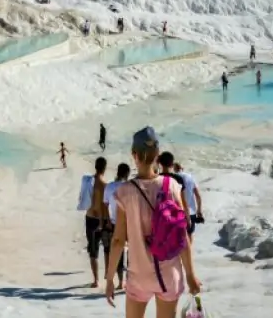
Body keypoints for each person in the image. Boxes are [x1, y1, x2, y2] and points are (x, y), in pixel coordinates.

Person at [106, 127, 202, 315]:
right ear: (157, 154)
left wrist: (109, 279)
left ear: (134, 155)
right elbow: (183, 236)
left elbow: (118, 241)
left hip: (139, 276)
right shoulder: (172, 186)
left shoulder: (124, 192)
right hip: (169, 274)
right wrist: (190, 275)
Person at [103, 162, 131, 291]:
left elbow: (105, 205)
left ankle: (120, 282)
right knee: (132, 253)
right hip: (130, 223)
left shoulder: (109, 187)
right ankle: (130, 281)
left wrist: (108, 221)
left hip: (115, 223)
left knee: (118, 252)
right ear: (127, 173)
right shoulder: (130, 186)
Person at [85, 156, 110, 288]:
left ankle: (96, 280)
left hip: (90, 217)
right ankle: (107, 272)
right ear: (104, 168)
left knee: (93, 250)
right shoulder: (105, 185)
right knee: (106, 248)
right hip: (103, 220)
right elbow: (104, 205)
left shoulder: (88, 182)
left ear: (95, 166)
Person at [174, 162, 204, 237]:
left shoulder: (173, 178)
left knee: (178, 238)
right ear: (182, 168)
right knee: (189, 234)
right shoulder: (190, 177)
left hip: (177, 212)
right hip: (191, 212)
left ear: (174, 169)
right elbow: (198, 196)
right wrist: (199, 211)